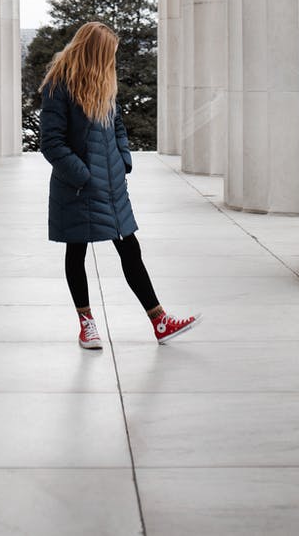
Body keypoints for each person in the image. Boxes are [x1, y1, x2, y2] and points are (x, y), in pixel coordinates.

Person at [39, 20, 202, 350]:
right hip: (78, 188)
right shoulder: (59, 85)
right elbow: (51, 142)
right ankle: (87, 325)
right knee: (77, 251)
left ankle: (160, 320)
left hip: (112, 186)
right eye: (108, 53)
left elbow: (118, 127)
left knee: (130, 249)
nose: (112, 60)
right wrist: (84, 176)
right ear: (94, 52)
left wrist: (123, 160)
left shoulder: (104, 83)